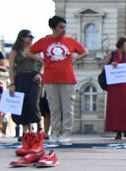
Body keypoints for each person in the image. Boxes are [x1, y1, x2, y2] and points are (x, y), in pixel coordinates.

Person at [29, 15, 87, 145]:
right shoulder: (44, 41)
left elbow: (84, 51)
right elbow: (29, 51)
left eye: (64, 27)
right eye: (61, 27)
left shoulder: (70, 41)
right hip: (50, 79)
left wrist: (75, 59)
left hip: (68, 79)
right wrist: (39, 59)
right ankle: (54, 133)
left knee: (67, 108)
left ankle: (66, 134)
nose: (64, 30)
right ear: (52, 28)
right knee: (54, 108)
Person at [8, 29, 43, 138]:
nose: (31, 39)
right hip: (21, 77)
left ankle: (35, 127)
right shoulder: (15, 51)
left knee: (32, 103)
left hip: (33, 77)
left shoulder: (35, 50)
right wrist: (12, 84)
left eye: (32, 37)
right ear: (22, 37)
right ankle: (25, 131)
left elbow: (43, 63)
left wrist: (40, 74)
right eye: (29, 37)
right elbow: (11, 68)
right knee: (22, 104)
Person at [104, 36, 126, 139]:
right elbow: (104, 68)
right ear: (121, 44)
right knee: (115, 108)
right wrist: (111, 64)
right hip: (115, 85)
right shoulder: (111, 54)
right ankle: (118, 131)